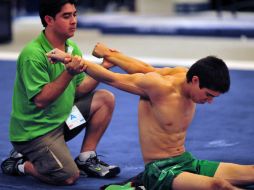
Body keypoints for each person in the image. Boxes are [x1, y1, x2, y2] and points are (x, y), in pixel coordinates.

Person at [47, 43, 254, 190]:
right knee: (219, 186)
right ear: (196, 80)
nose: (209, 101)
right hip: (160, 171)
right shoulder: (159, 88)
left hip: (186, 162)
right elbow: (113, 79)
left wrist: (111, 54)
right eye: (208, 95)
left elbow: (145, 69)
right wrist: (69, 59)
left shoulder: (181, 74)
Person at [1, 1, 120, 186]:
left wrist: (103, 68)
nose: (73, 21)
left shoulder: (71, 47)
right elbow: (41, 100)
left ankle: (86, 158)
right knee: (68, 176)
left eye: (75, 14)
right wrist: (69, 72)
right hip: (35, 134)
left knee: (105, 98)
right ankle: (20, 164)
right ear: (49, 20)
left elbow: (79, 90)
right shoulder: (33, 55)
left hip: (63, 124)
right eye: (66, 16)